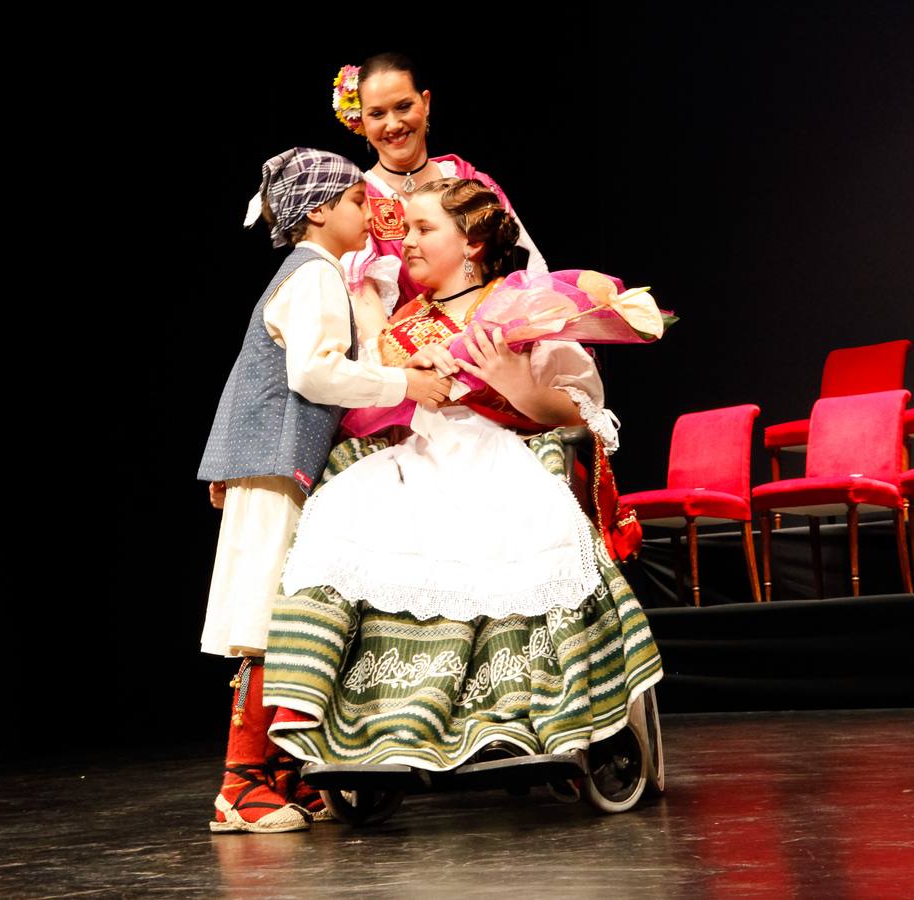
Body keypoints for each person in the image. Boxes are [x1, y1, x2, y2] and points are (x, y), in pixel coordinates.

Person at [263, 178, 662, 778]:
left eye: (425, 231)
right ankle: (381, 723)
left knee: (505, 533)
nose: (410, 245)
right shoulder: (400, 326)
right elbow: (370, 412)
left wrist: (508, 378)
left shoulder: (522, 301)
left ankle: (517, 714)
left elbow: (582, 414)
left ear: (472, 242)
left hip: (505, 453)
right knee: (343, 515)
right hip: (421, 460)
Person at [198, 148, 452, 834]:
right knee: (264, 620)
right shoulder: (313, 276)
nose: (367, 212)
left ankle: (279, 776)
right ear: (318, 211)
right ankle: (240, 786)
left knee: (289, 613)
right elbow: (313, 375)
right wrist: (406, 384)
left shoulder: (318, 275)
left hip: (281, 463)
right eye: (353, 202)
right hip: (274, 465)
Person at [331, 53, 548, 342]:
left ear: (426, 103)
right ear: (361, 120)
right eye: (377, 114)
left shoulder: (469, 180)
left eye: (404, 106)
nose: (393, 125)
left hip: (493, 345)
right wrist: (398, 364)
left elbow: (530, 270)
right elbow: (362, 298)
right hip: (410, 359)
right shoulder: (359, 201)